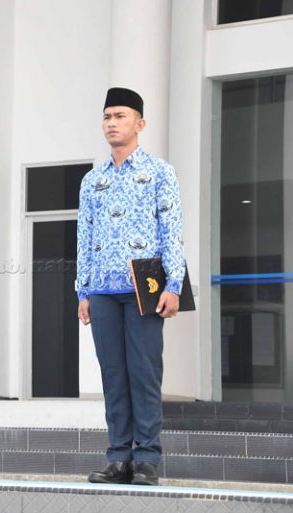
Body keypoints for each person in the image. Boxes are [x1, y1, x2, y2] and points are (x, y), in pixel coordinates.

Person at [76, 87, 185, 486]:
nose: (111, 123)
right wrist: (82, 292)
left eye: (119, 116)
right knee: (113, 376)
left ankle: (147, 460)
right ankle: (119, 458)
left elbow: (171, 230)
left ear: (139, 123)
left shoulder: (159, 172)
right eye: (106, 116)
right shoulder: (92, 181)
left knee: (143, 372)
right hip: (102, 290)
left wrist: (173, 284)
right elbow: (84, 237)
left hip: (145, 287)